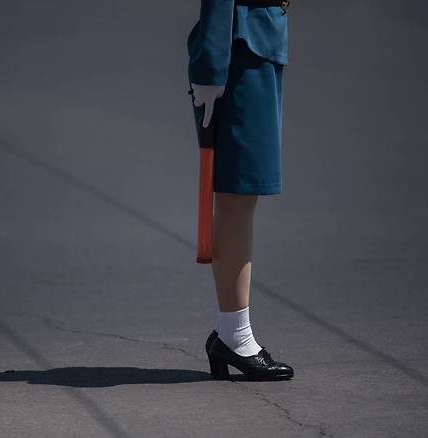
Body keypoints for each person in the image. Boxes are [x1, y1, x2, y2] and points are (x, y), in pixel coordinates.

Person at [187, 0, 294, 381]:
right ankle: (235, 336)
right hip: (241, 51)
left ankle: (231, 335)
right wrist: (211, 69)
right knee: (237, 195)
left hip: (259, 43)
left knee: (243, 195)